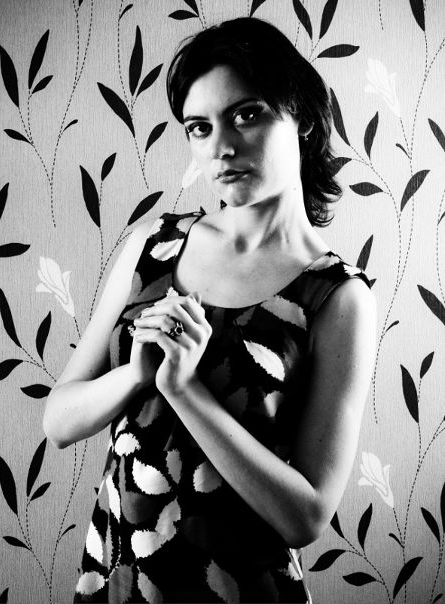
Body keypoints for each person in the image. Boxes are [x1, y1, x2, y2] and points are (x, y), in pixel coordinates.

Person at [43, 16, 377, 604]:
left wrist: (183, 390)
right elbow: (59, 421)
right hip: (119, 581)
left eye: (246, 115)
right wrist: (136, 375)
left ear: (301, 117)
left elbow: (305, 517)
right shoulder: (152, 245)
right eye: (200, 127)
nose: (222, 146)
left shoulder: (336, 296)